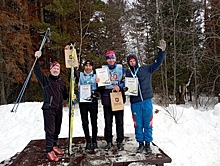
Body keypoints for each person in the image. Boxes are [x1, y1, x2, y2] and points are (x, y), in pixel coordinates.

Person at [125, 40, 166, 153]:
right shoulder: (128, 74)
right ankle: (140, 144)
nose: (132, 63)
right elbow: (124, 85)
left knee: (148, 123)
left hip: (146, 101)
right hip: (135, 103)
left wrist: (161, 52)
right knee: (138, 125)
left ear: (137, 61)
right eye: (130, 61)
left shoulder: (146, 69)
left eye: (134, 61)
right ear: (129, 63)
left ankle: (148, 143)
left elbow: (157, 63)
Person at [34, 51, 68, 161]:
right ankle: (49, 150)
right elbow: (37, 71)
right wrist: (37, 59)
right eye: (54, 68)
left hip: (59, 109)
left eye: (57, 69)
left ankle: (54, 145)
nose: (56, 70)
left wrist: (71, 94)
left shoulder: (62, 83)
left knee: (57, 129)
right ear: (50, 69)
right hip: (49, 109)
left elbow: (66, 96)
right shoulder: (45, 81)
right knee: (50, 130)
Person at [96, 50, 126, 151]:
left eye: (112, 58)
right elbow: (99, 88)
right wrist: (98, 83)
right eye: (109, 58)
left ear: (115, 58)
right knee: (108, 122)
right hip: (107, 97)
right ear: (107, 60)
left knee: (119, 121)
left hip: (117, 96)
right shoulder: (103, 70)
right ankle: (108, 141)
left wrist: (120, 86)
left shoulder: (121, 68)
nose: (111, 60)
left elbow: (125, 81)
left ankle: (120, 141)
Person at [77, 60, 99, 151]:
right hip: (83, 102)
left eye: (90, 66)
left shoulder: (96, 75)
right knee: (85, 122)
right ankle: (88, 141)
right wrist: (69, 52)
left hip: (93, 101)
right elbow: (71, 69)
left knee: (94, 122)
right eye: (86, 66)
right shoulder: (80, 75)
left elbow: (101, 87)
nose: (88, 67)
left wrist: (98, 83)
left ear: (92, 67)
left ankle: (94, 140)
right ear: (84, 67)